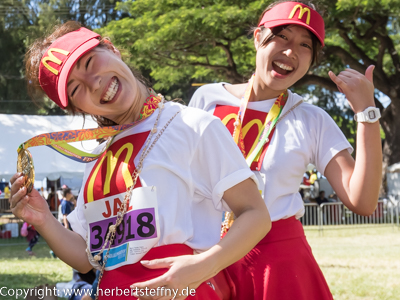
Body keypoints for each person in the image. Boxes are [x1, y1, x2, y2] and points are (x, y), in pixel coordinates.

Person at [9, 21, 271, 300]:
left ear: (111, 48)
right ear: (77, 108)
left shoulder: (193, 125)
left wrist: (203, 266)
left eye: (89, 62)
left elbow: (256, 215)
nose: (94, 82)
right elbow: (87, 258)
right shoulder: (96, 159)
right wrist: (43, 220)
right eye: (76, 89)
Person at [189, 1, 382, 299]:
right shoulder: (206, 99)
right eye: (282, 36)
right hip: (205, 256)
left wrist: (367, 112)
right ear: (257, 37)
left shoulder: (311, 118)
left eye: (305, 44)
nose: (291, 51)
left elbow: (362, 201)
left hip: (277, 264)